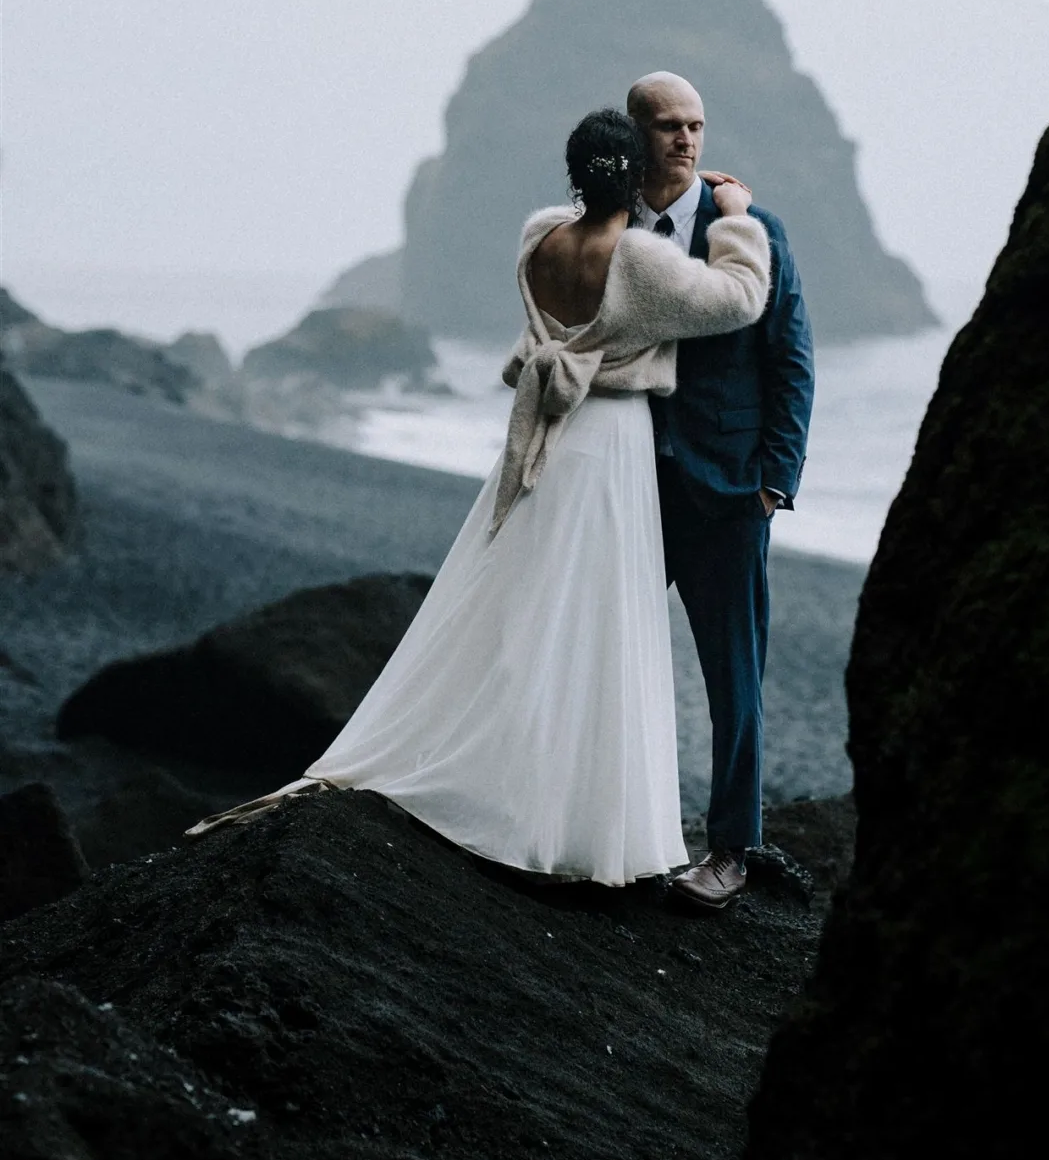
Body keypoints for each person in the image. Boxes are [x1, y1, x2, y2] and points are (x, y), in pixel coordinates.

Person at [188, 108, 770, 889]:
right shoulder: (639, 259)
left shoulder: (539, 238)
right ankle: (562, 814)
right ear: (634, 177)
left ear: (573, 175)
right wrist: (736, 219)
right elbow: (736, 298)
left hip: (544, 438)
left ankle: (507, 775)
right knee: (593, 620)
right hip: (608, 443)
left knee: (525, 602)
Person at [626, 72, 814, 912]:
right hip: (629, 488)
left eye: (695, 124)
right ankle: (614, 825)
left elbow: (792, 362)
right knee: (609, 656)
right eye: (668, 125)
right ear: (638, 136)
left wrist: (775, 481)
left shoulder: (751, 228)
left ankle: (732, 851)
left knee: (734, 680)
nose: (686, 140)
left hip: (733, 492)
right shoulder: (616, 228)